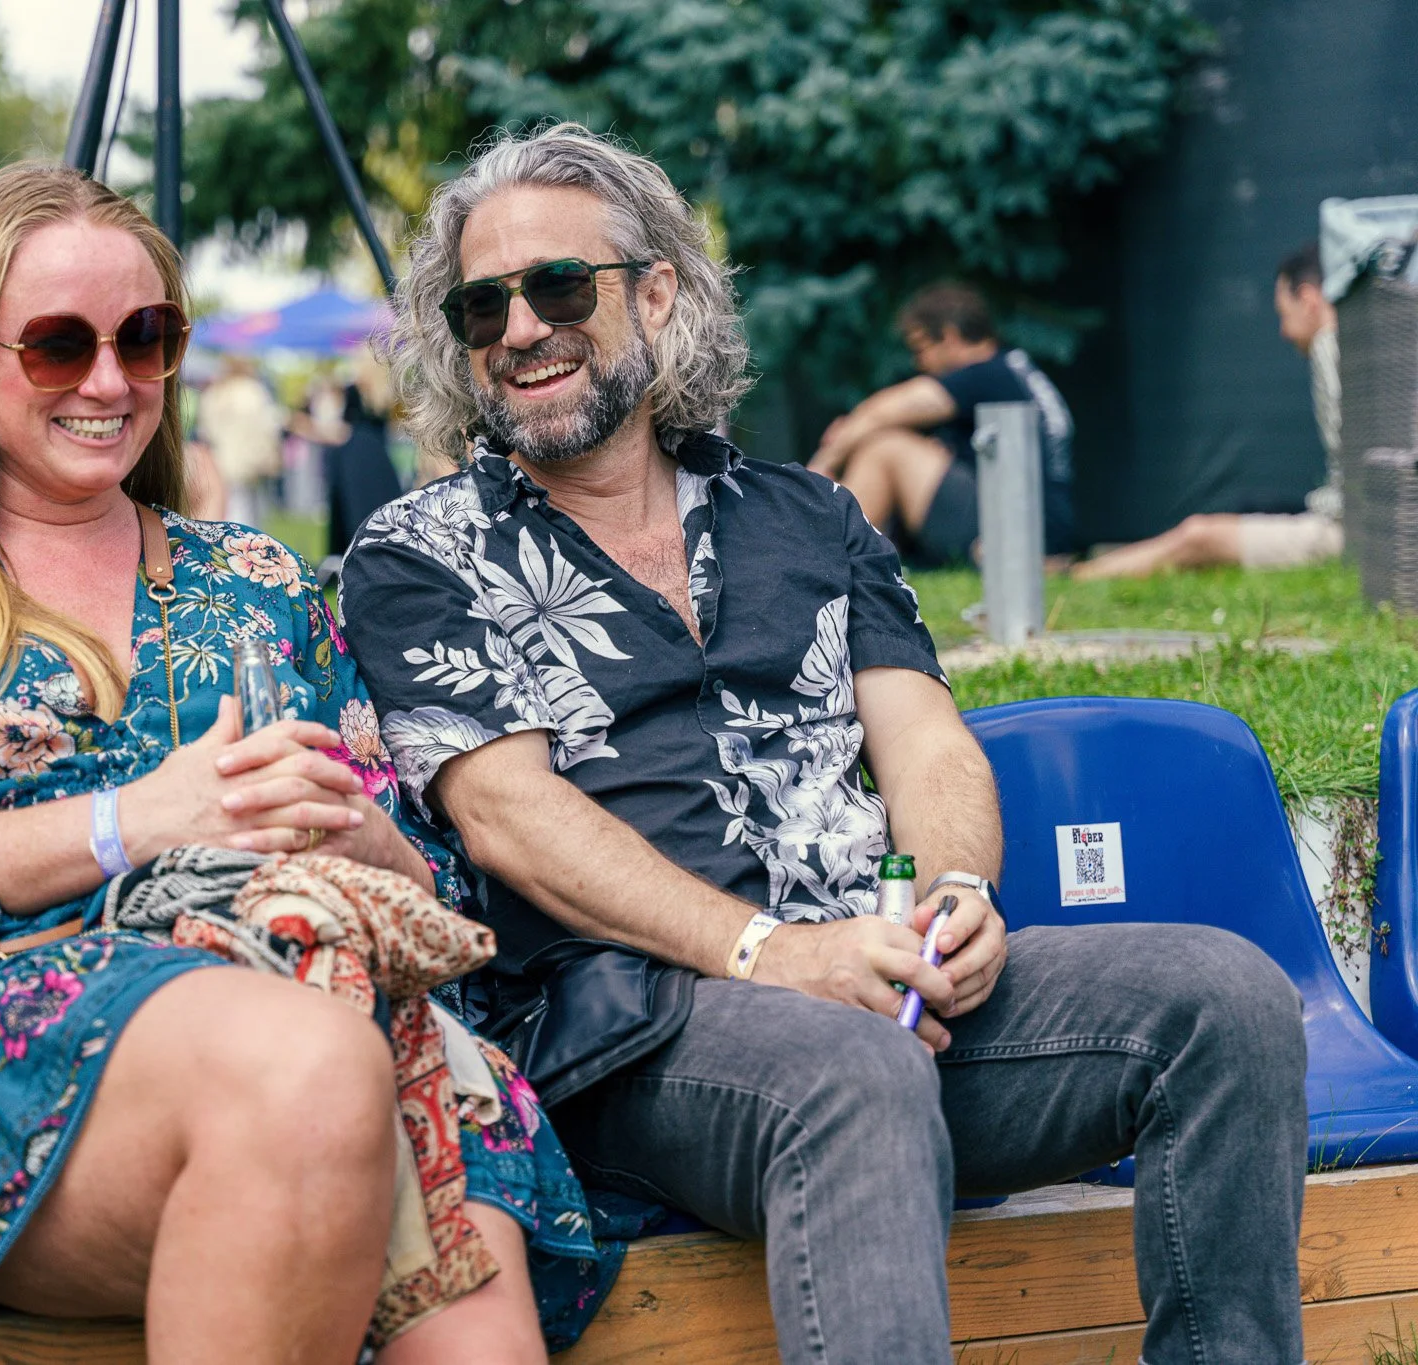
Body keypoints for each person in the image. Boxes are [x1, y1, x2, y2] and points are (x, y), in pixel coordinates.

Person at [338, 124, 1309, 1364]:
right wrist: (772, 954)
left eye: (559, 287)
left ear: (656, 292)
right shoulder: (420, 552)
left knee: (1223, 1002)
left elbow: (926, 745)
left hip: (880, 990)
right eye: (483, 305)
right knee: (855, 1070)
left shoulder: (809, 514)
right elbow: (505, 816)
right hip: (633, 1036)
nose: (519, 327)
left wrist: (958, 893)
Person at [0, 161, 612, 1365]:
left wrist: (355, 840)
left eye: (145, 337)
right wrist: (138, 821)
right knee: (314, 1070)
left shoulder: (257, 583)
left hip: (341, 1006)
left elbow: (426, 885)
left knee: (451, 1250)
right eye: (58, 346)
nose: (109, 382)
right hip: (22, 1040)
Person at [1074, 242, 1342, 579]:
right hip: (1356, 524)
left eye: (1283, 314)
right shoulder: (1368, 344)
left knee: (1199, 535)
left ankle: (1084, 575)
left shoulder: (1330, 346)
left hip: (1353, 534)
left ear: (1308, 299)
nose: (1283, 331)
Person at [808, 282, 1076, 565]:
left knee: (886, 449)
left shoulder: (986, 374)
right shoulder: (1014, 370)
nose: (919, 362)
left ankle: (827, 563)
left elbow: (882, 412)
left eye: (921, 348)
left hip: (1014, 534)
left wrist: (823, 464)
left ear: (949, 336)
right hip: (1038, 528)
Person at [196, 353, 284, 525]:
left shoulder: (214, 392)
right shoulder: (253, 391)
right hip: (247, 461)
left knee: (222, 508)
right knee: (245, 511)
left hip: (218, 459)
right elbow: (267, 428)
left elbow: (204, 431)